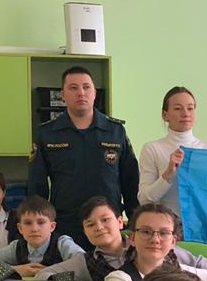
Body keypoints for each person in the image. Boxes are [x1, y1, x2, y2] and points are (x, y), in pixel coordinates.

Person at [28, 66, 139, 244]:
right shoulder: (47, 133)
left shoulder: (115, 131)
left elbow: (130, 180)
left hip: (107, 224)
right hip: (66, 224)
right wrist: (38, 224)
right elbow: (37, 184)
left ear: (94, 93)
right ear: (62, 95)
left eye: (86, 87)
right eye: (73, 88)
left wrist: (135, 222)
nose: (81, 93)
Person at [37, 196, 207, 281]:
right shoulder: (86, 262)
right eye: (90, 224)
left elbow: (198, 263)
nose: (99, 227)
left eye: (105, 220)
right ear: (84, 231)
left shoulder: (148, 242)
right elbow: (42, 275)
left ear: (120, 222)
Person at [139, 86, 207, 215]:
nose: (185, 113)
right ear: (165, 115)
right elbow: (144, 200)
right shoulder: (152, 149)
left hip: (200, 223)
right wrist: (168, 173)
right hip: (166, 224)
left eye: (190, 108)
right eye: (177, 108)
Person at [0, 196, 83, 276]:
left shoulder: (62, 244)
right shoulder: (16, 247)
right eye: (28, 223)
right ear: (20, 228)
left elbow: (86, 266)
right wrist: (15, 270)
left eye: (41, 222)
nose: (34, 228)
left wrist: (50, 272)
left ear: (52, 226)